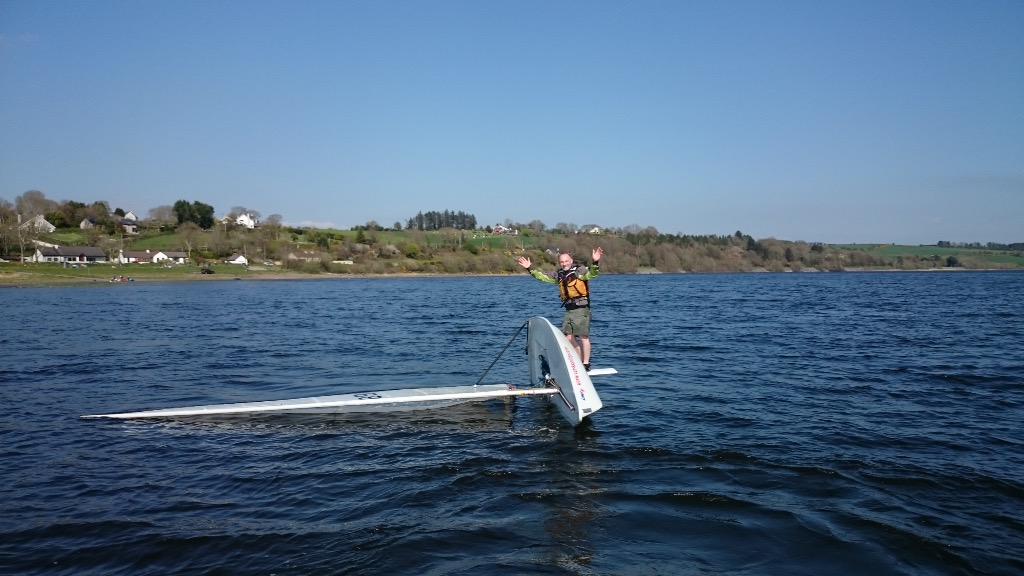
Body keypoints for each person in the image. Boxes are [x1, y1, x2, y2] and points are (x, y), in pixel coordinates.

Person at [517, 247, 604, 371]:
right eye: (562, 262)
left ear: (571, 260)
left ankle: (586, 363)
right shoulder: (560, 276)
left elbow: (593, 275)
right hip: (569, 310)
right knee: (569, 337)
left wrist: (595, 262)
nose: (564, 263)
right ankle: (578, 363)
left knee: (583, 337)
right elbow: (543, 277)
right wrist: (530, 269)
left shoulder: (580, 272)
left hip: (581, 308)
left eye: (566, 261)